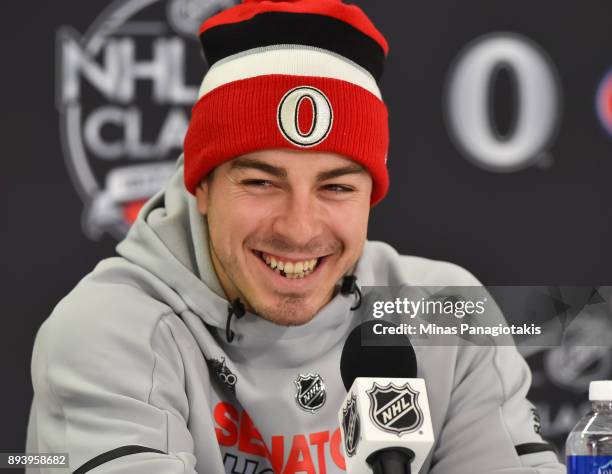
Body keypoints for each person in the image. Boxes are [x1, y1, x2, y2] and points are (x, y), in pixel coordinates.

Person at [26, 1, 565, 473]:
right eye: (261, 182)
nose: (299, 228)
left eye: (335, 187)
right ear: (203, 186)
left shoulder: (443, 313)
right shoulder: (111, 329)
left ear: (370, 196)